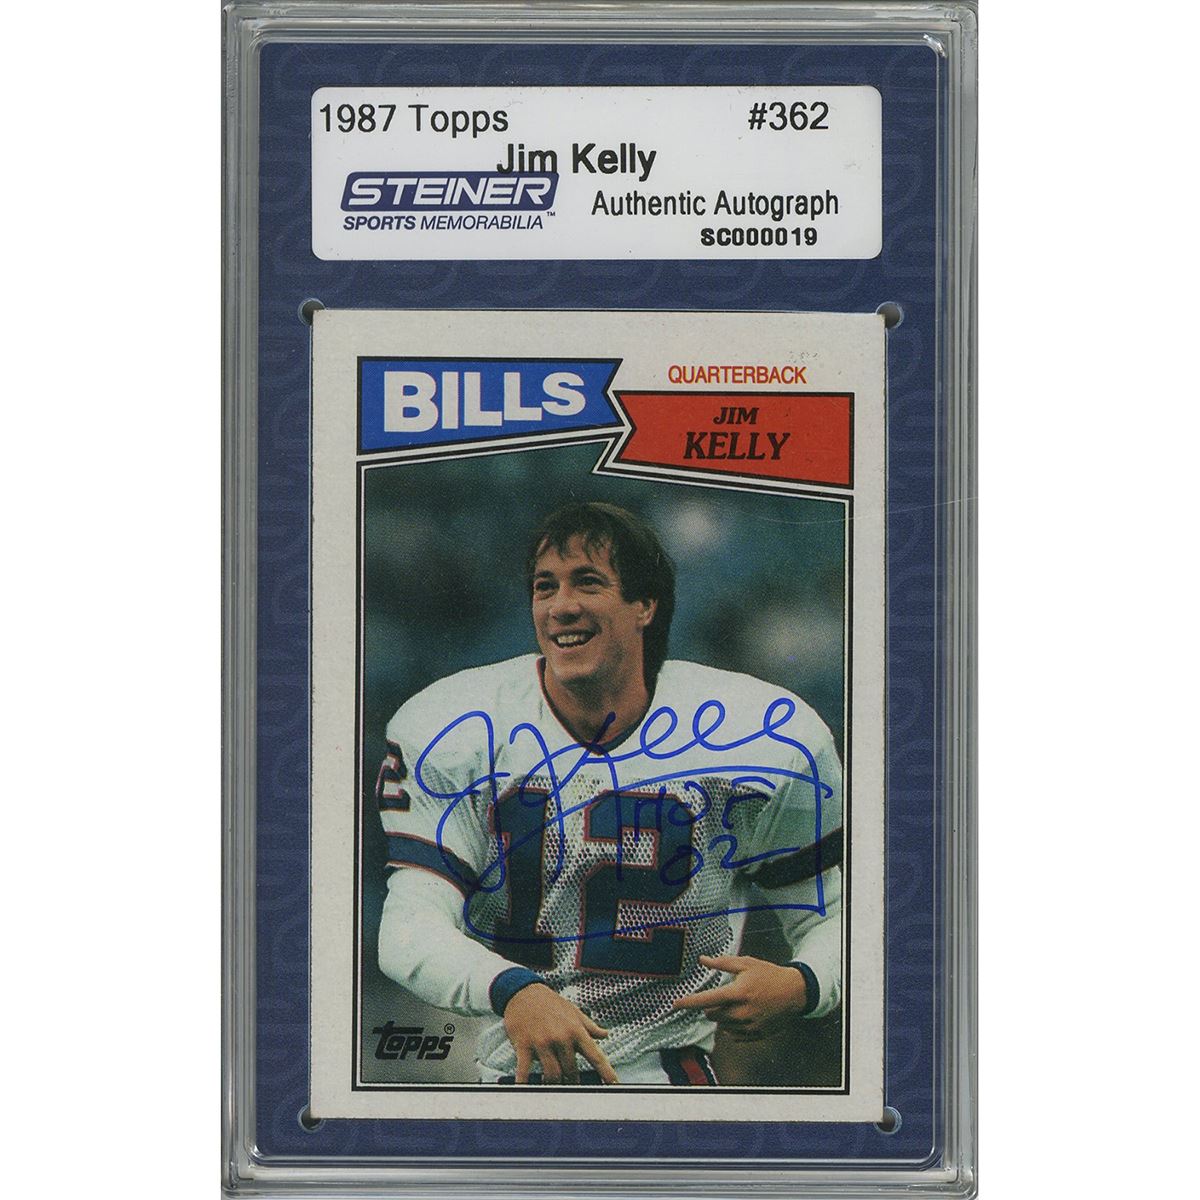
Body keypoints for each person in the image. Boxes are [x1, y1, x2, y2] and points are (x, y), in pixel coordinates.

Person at [375, 501, 843, 1086]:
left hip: (669, 1084)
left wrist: (803, 984)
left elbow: (839, 917)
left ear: (645, 604)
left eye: (588, 582)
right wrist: (513, 990)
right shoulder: (459, 726)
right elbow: (407, 928)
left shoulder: (759, 733)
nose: (561, 605)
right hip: (512, 1083)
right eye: (545, 587)